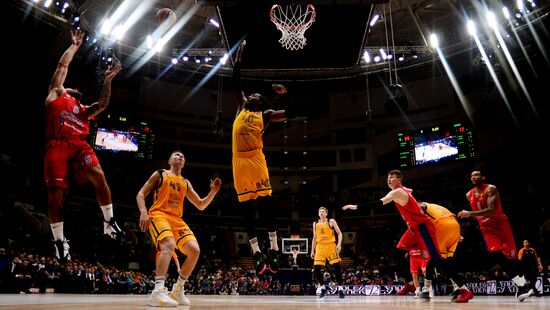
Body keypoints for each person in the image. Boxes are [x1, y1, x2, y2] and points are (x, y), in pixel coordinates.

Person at [44, 29, 123, 263]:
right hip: (57, 144)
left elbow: (104, 103)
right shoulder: (55, 96)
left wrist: (108, 81)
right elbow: (62, 67)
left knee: (99, 176)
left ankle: (108, 221)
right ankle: (59, 240)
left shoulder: (83, 110)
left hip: (79, 145)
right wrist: (75, 46)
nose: (75, 89)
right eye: (72, 88)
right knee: (56, 194)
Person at [232, 40, 290, 275]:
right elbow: (236, 82)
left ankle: (274, 249)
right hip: (238, 160)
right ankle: (257, 253)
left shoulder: (265, 115)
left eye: (257, 94)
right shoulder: (242, 107)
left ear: (262, 102)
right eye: (252, 93)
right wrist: (238, 59)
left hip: (255, 159)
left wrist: (285, 95)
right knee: (246, 210)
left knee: (266, 206)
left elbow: (291, 114)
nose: (253, 94)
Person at [136, 150, 221, 307]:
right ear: (169, 161)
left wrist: (213, 192)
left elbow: (201, 205)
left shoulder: (185, 182)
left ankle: (177, 290)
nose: (180, 156)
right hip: (159, 214)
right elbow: (141, 194)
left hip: (177, 219)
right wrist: (143, 211)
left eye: (182, 155)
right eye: (176, 155)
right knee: (168, 244)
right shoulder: (160, 174)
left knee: (194, 250)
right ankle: (158, 292)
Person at [342, 170, 441, 301]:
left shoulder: (396, 192)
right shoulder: (404, 190)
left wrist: (355, 207)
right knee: (398, 252)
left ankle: (453, 287)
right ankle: (412, 285)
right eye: (387, 178)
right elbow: (410, 190)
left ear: (399, 179)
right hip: (414, 229)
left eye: (392, 178)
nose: (388, 180)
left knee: (436, 258)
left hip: (423, 227)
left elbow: (378, 203)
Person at [458, 170, 531, 301]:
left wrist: (470, 213)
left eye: (476, 175)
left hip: (500, 224)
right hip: (487, 228)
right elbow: (477, 214)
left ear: (483, 177)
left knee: (512, 256)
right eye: (471, 176)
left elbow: (491, 209)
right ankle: (521, 286)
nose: (473, 177)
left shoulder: (491, 189)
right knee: (497, 254)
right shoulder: (469, 195)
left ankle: (523, 285)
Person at [310, 206, 345, 298]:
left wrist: (339, 244)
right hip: (320, 248)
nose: (321, 213)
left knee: (336, 268)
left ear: (326, 214)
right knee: (316, 269)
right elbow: (314, 238)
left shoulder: (331, 221)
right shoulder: (315, 224)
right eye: (320, 211)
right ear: (318, 214)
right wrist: (312, 250)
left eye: (323, 211)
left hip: (331, 246)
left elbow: (340, 233)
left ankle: (340, 289)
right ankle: (323, 287)